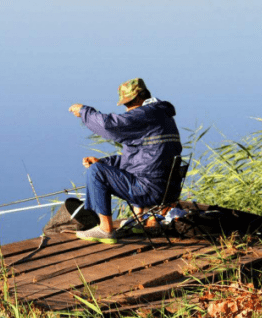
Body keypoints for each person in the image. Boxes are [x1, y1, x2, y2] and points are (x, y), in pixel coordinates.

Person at [68, 78, 182, 244]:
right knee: (100, 167)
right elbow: (143, 158)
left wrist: (85, 112)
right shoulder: (162, 116)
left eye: (128, 104)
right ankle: (140, 220)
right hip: (167, 190)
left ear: (138, 98)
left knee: (96, 172)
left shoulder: (146, 113)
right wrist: (104, 162)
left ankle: (105, 229)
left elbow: (110, 126)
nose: (127, 109)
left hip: (149, 190)